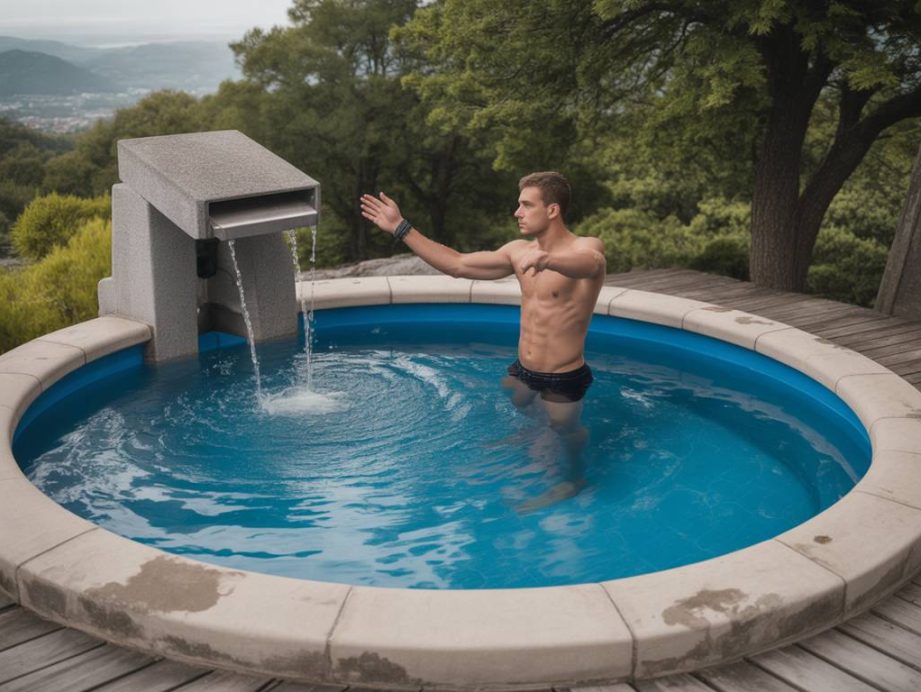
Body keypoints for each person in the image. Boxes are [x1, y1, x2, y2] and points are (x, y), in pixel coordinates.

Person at [360, 171, 605, 508]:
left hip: (562, 375)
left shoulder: (584, 247)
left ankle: (575, 479)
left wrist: (549, 259)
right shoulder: (518, 252)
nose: (517, 212)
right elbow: (458, 264)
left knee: (564, 428)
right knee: (517, 397)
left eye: (526, 205)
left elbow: (590, 264)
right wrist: (402, 227)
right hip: (524, 368)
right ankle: (531, 437)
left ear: (552, 210)